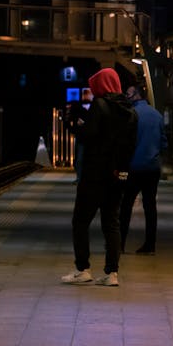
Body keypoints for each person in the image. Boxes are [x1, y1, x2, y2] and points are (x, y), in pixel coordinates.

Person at [61, 68, 137, 287]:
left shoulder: (100, 105)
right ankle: (112, 273)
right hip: (118, 175)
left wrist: (74, 125)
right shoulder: (130, 111)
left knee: (80, 221)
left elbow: (90, 135)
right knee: (111, 223)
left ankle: (82, 269)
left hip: (95, 174)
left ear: (101, 86)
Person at [119, 84, 168, 255]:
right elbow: (164, 143)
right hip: (152, 168)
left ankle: (120, 244)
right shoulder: (157, 115)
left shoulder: (131, 115)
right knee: (150, 207)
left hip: (133, 167)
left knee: (125, 206)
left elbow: (124, 142)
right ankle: (150, 245)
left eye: (128, 93)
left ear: (137, 95)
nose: (126, 96)